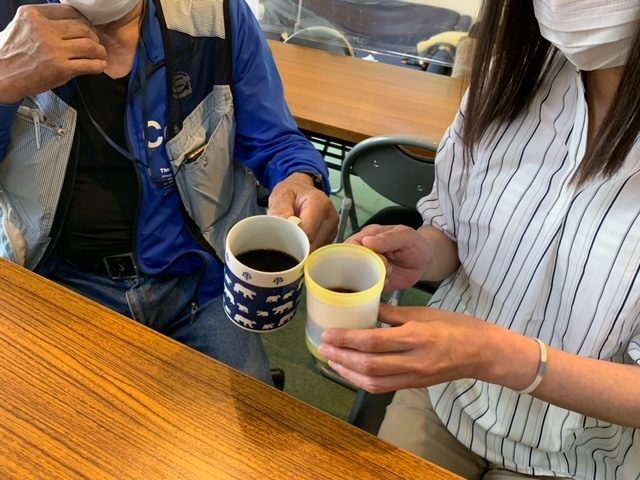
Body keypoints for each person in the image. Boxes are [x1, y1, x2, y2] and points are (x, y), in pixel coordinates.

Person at [319, 1, 640, 479]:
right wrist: (423, 251)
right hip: (447, 396)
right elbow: (452, 228)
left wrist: (493, 355)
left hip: (580, 452)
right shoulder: (508, 79)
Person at [0, 0, 338, 386]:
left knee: (247, 417)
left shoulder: (218, 16)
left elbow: (274, 139)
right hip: (58, 283)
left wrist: (299, 179)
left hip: (199, 283)